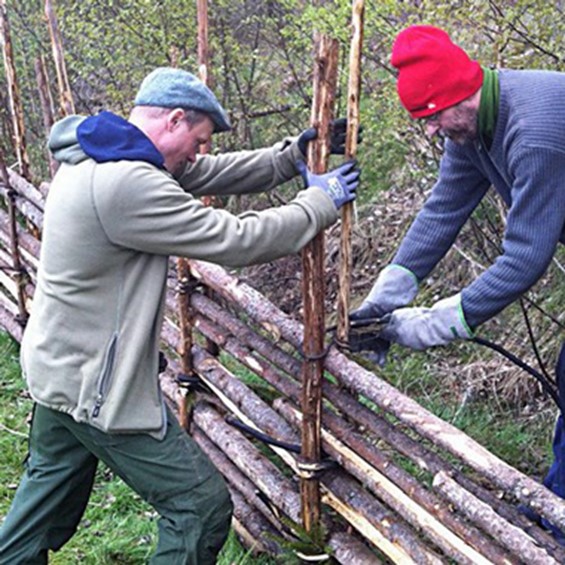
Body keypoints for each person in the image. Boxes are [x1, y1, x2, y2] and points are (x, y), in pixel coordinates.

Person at [0, 67, 360, 564]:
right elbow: (237, 240)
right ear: (173, 120)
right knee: (200, 508)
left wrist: (289, 158)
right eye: (200, 138)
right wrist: (321, 201)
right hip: (94, 387)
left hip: (57, 369)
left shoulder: (95, 154)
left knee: (36, 517)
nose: (200, 152)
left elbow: (204, 174)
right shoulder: (125, 184)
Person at [350, 25, 565, 539]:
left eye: (431, 118)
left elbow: (524, 258)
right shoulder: (472, 125)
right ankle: (558, 503)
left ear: (458, 95)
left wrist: (433, 325)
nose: (429, 132)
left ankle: (557, 517)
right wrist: (387, 297)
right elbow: (443, 211)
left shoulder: (534, 131)